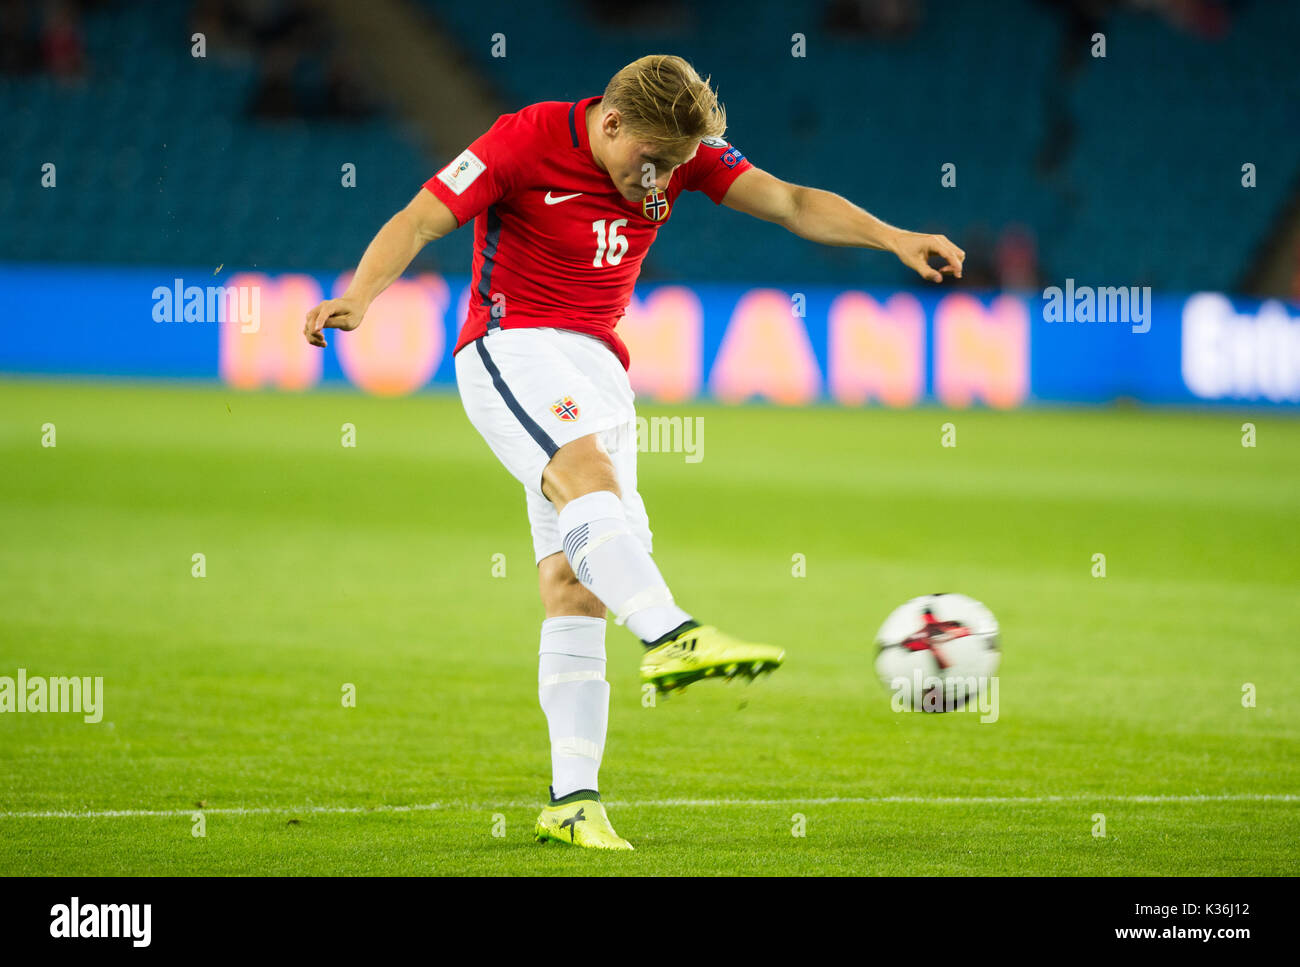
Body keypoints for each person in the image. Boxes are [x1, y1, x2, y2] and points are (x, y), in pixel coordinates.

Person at [303, 54, 964, 850]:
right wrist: (361, 295)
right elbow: (418, 219)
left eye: (676, 168)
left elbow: (789, 201)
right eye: (651, 161)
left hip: (601, 369)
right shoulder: (525, 140)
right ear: (609, 123)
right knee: (589, 481)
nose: (661, 181)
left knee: (575, 584)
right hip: (513, 346)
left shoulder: (675, 155)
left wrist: (893, 237)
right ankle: (672, 633)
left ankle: (571, 799)